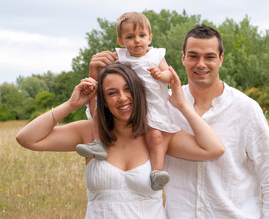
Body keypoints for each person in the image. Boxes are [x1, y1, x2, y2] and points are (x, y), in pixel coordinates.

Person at [16, 62, 224, 219]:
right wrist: (71, 105)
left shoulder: (158, 136)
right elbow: (27, 138)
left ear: (139, 92)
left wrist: (182, 105)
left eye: (128, 89)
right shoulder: (89, 134)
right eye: (112, 93)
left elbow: (214, 149)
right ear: (104, 102)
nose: (123, 98)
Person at [164, 25, 269, 218]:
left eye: (210, 57)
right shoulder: (166, 106)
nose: (201, 64)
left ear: (220, 59)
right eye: (193, 56)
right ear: (183, 58)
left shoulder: (246, 109)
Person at [76, 12, 177, 191]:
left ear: (150, 38)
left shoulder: (155, 55)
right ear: (121, 42)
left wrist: (162, 75)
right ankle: (98, 144)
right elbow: (109, 74)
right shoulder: (122, 57)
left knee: (155, 136)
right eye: (130, 37)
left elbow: (169, 74)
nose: (137, 40)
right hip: (133, 105)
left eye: (142, 36)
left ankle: (156, 172)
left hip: (152, 105)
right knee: (99, 109)